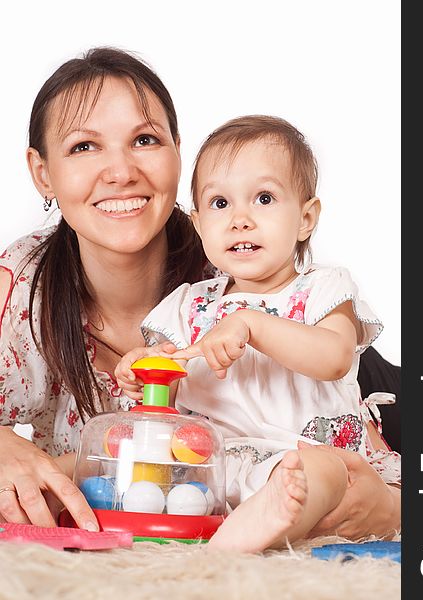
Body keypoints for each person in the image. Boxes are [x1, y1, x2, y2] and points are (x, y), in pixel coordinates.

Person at [0, 47, 399, 541]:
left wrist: (397, 507)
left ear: (176, 153)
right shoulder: (21, 285)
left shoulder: (242, 266)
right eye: (85, 146)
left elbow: (356, 390)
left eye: (144, 140)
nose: (121, 171)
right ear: (42, 171)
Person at [115, 115, 401, 552]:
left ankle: (254, 530)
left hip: (301, 458)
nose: (240, 219)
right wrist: (143, 372)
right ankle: (229, 525)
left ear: (306, 218)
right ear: (197, 224)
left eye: (264, 198)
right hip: (209, 467)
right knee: (147, 468)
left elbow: (335, 358)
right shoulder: (189, 305)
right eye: (219, 203)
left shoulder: (322, 289)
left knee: (318, 473)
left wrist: (254, 324)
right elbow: (167, 391)